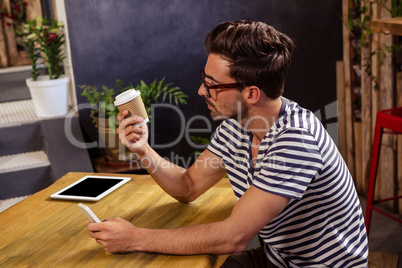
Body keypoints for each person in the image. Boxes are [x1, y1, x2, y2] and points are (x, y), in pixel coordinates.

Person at [87, 20, 368, 267]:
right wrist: (143, 150)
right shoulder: (237, 128)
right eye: (203, 79)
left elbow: (233, 237)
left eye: (212, 84)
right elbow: (188, 186)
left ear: (251, 93)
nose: (201, 90)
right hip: (279, 259)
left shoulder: (296, 141)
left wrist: (135, 238)